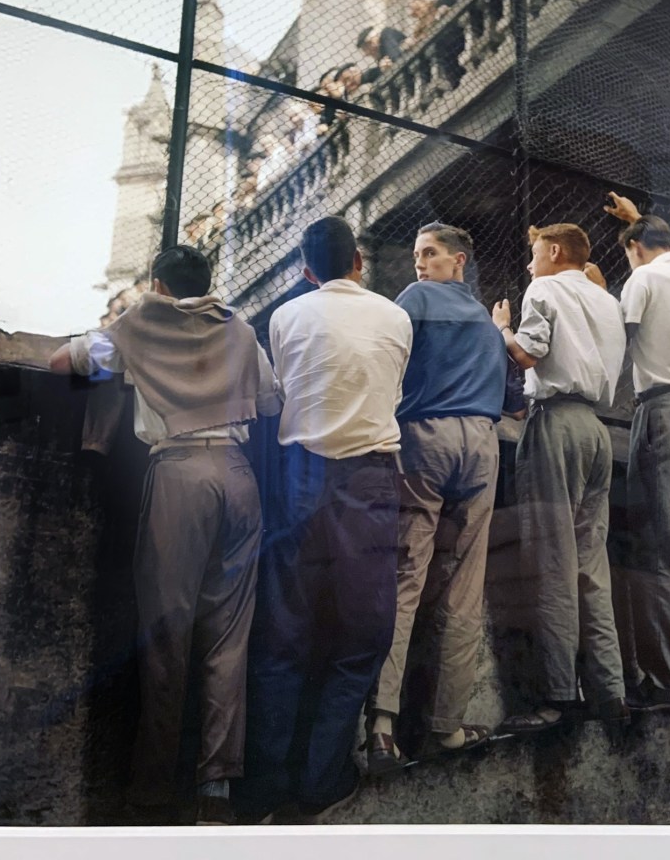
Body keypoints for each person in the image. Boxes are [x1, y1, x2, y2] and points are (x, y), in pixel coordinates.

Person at [48, 245, 280, 825]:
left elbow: (60, 362)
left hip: (179, 474)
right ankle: (216, 790)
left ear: (157, 283)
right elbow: (272, 399)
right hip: (238, 474)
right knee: (229, 639)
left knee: (165, 632)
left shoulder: (139, 323)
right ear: (208, 282)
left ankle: (152, 788)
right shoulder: (240, 330)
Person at [247, 216, 412, 822]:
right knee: (363, 634)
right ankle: (322, 778)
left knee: (282, 634)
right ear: (359, 262)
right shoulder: (396, 316)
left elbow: (283, 390)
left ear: (307, 270)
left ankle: (264, 783)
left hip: (298, 477)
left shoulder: (286, 316)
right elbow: (390, 389)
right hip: (368, 481)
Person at [367, 223, 509, 773]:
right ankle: (446, 726)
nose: (420, 263)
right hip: (483, 443)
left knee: (406, 577)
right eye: (417, 254)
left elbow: (388, 365)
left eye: (429, 253)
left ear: (459, 261)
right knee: (465, 585)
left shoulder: (416, 299)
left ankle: (381, 725)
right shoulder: (488, 325)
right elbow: (513, 396)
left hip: (426, 437)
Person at [491, 223, 629, 731]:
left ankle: (557, 696)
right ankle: (610, 691)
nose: (528, 266)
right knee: (592, 565)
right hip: (597, 432)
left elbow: (527, 354)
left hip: (556, 425)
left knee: (552, 561)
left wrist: (501, 327)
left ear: (553, 251)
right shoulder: (605, 300)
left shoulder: (545, 287)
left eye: (532, 255)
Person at [604, 194, 670, 711]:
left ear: (633, 250)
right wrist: (638, 222)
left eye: (628, 251)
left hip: (661, 411)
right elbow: (658, 246)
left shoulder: (642, 279)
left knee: (663, 549)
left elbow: (615, 339)